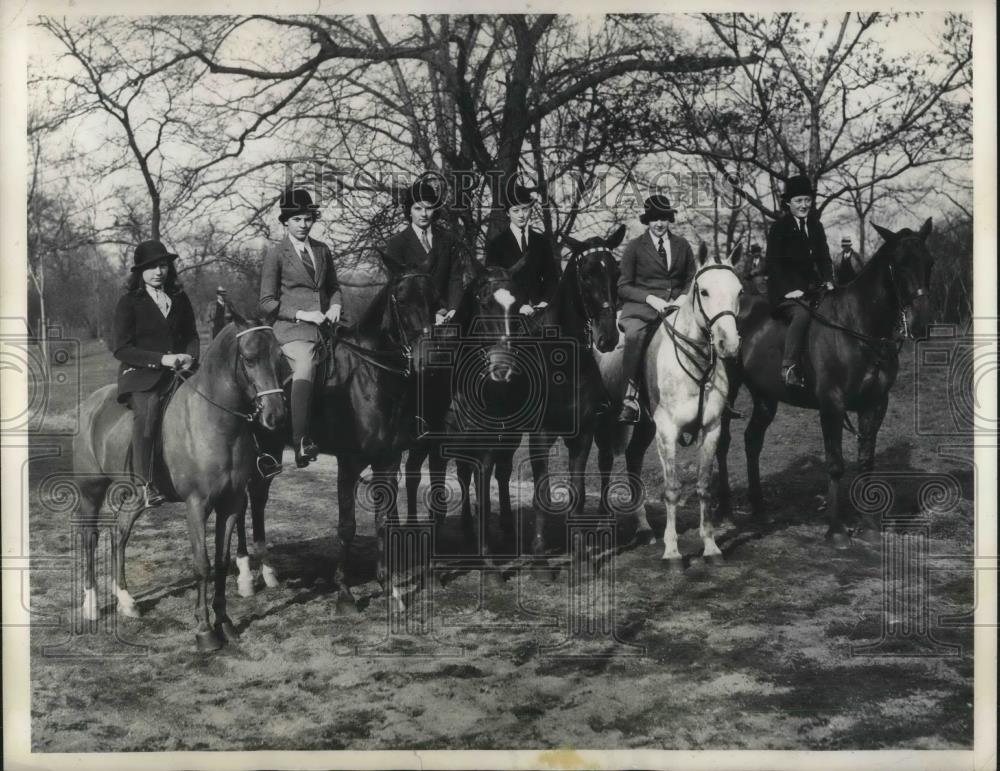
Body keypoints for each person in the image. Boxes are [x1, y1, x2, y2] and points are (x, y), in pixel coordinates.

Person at [259, 188, 343, 468]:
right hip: (290, 330)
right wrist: (303, 314)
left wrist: (335, 307)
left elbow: (333, 287)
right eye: (297, 220)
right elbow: (267, 302)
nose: (304, 224)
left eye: (308, 219)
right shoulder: (276, 254)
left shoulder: (322, 249)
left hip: (326, 328)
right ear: (286, 223)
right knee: (305, 365)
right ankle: (300, 440)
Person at [113, 239, 199, 508]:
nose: (158, 271)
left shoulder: (180, 298)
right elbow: (121, 348)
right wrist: (162, 359)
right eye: (150, 267)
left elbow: (192, 335)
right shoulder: (129, 302)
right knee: (148, 414)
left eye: (163, 265)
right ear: (140, 272)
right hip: (141, 374)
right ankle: (144, 484)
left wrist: (190, 356)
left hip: (180, 371)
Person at [616, 194, 696, 423]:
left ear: (669, 219)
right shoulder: (634, 247)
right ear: (647, 221)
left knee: (709, 330)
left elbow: (691, 277)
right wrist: (651, 298)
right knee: (634, 336)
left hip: (678, 307)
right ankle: (630, 398)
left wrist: (682, 299)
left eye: (663, 219)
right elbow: (623, 286)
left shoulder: (682, 245)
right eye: (654, 219)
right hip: (643, 308)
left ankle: (716, 394)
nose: (659, 224)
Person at [765, 175, 835, 389]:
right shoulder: (779, 228)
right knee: (802, 313)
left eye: (807, 200)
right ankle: (789, 366)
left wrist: (829, 280)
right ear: (788, 203)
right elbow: (773, 265)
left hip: (812, 290)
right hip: (786, 294)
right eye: (798, 201)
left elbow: (824, 258)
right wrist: (788, 291)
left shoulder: (816, 226)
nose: (804, 205)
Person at [381, 178, 465, 324]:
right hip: (415, 320)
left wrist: (452, 310)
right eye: (418, 208)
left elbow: (455, 279)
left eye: (429, 208)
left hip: (449, 317)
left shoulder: (448, 239)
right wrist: (433, 315)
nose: (424, 214)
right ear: (409, 211)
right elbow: (400, 291)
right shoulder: (397, 243)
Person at [484, 179, 561, 316]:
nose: (521, 215)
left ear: (530, 210)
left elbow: (552, 277)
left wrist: (544, 302)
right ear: (508, 213)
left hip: (540, 313)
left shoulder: (542, 242)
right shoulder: (496, 245)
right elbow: (493, 285)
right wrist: (517, 306)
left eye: (525, 209)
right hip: (509, 315)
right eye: (516, 210)